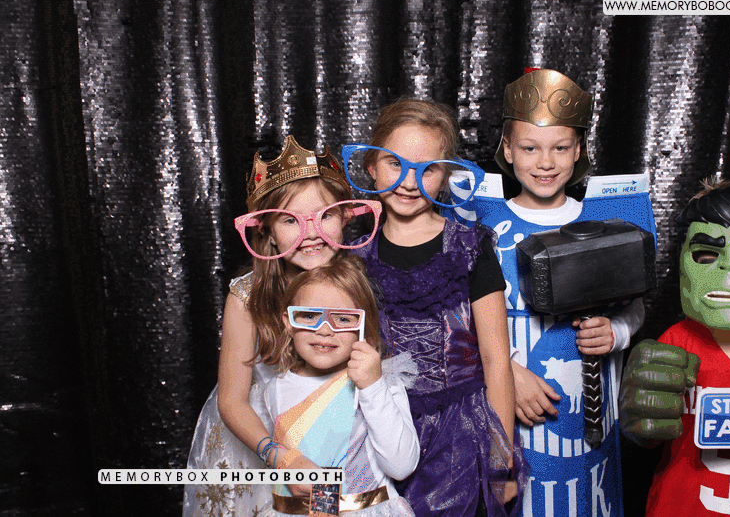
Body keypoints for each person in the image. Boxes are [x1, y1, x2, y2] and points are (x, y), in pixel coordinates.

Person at [446, 69, 653, 517]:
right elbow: (451, 317)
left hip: (591, 425)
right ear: (507, 149)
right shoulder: (478, 225)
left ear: (578, 150)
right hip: (506, 412)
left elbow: (634, 307)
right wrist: (506, 371)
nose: (545, 162)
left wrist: (616, 331)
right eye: (529, 148)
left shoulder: (607, 221)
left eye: (560, 148)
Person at [342, 98, 525, 517]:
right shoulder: (353, 256)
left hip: (461, 439)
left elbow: (497, 361)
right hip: (380, 431)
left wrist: (501, 464)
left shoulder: (470, 247)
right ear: (371, 167)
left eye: (427, 169)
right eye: (395, 164)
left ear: (445, 177)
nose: (410, 182)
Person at [183, 136, 382, 516]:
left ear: (346, 216)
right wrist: (282, 457)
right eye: (290, 220)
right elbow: (231, 400)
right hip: (265, 443)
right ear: (267, 231)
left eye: (325, 215)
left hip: (343, 441)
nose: (311, 232)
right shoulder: (247, 296)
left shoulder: (358, 282)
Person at [619, 180, 730, 517]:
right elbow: (649, 435)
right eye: (707, 255)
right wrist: (635, 419)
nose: (729, 266)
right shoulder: (675, 341)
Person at [262, 253, 419, 516]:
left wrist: (372, 386)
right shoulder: (274, 389)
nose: (325, 330)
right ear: (288, 323)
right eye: (309, 316)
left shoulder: (379, 382)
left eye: (343, 319)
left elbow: (401, 466)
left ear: (364, 326)